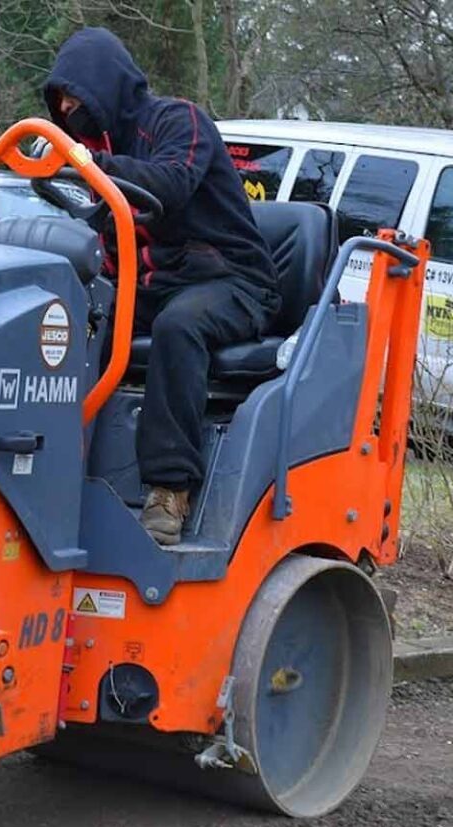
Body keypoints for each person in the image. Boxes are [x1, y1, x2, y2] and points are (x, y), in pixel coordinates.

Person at [44, 28, 280, 545]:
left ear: (105, 86)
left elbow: (171, 182)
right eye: (59, 102)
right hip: (154, 281)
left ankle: (169, 490)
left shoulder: (178, 121)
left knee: (179, 326)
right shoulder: (97, 146)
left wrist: (91, 167)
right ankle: (58, 465)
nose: (66, 109)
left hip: (231, 278)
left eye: (73, 96)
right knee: (69, 320)